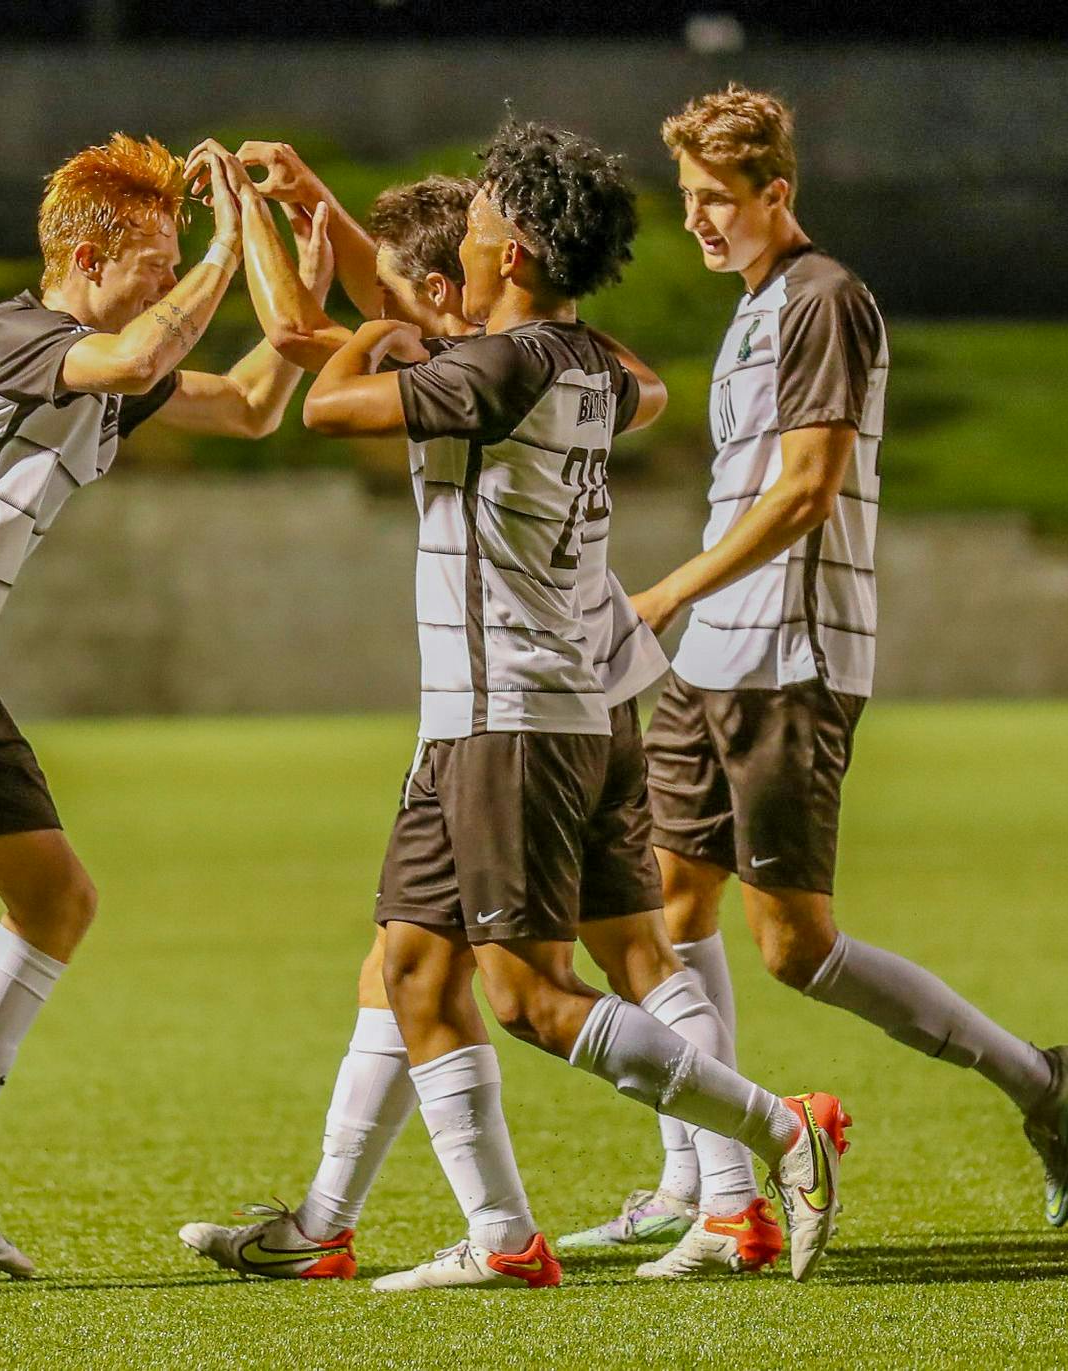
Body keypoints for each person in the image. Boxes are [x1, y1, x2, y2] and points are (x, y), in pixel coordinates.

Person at [250, 119, 849, 1292]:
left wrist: (368, 331)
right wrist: (359, 253)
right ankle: (506, 1240)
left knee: (526, 997)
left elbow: (328, 408)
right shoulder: (591, 364)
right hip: (578, 700)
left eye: (477, 230)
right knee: (418, 970)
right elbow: (638, 385)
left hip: (508, 712)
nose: (463, 250)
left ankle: (783, 1133)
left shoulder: (495, 369)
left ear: (512, 252)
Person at [0, 133, 329, 1291]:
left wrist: (295, 286)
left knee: (57, 899)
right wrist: (232, 250)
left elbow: (244, 407)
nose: (171, 276)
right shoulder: (12, 339)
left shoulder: (102, 372)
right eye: (156, 259)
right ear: (88, 259)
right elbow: (141, 355)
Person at [590, 84, 1068, 1243]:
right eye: (689, 202)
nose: (701, 223)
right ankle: (705, 1191)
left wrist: (666, 589)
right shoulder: (756, 302)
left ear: (781, 193)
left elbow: (809, 489)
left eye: (720, 201)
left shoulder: (823, 299)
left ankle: (1038, 1081)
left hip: (791, 656)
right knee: (666, 911)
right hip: (715, 657)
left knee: (794, 948)